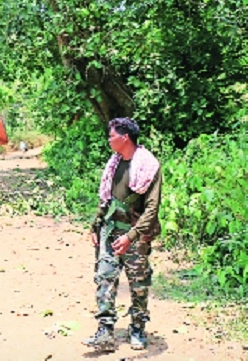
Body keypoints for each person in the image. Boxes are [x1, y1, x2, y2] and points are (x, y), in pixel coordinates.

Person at [83, 117, 162, 352]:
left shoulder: (148, 166)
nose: (109, 139)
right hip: (110, 230)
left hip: (135, 235)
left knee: (138, 283)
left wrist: (132, 236)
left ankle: (137, 328)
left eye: (112, 135)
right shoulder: (114, 163)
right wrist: (95, 225)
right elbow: (107, 199)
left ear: (124, 137)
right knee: (104, 278)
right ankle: (105, 331)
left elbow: (152, 208)